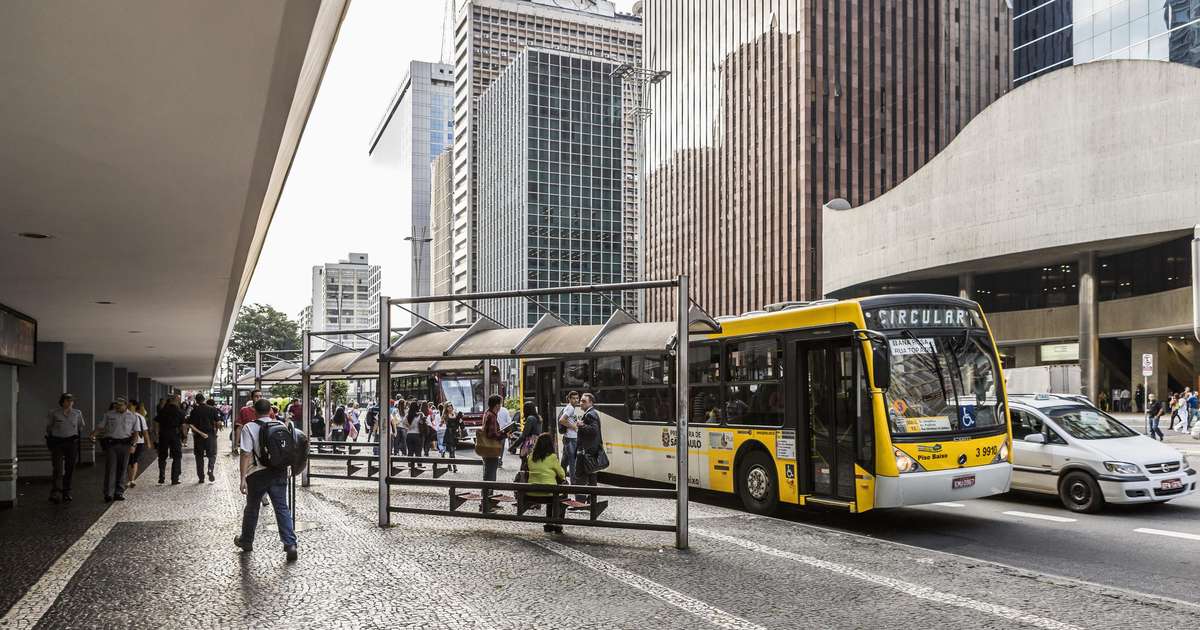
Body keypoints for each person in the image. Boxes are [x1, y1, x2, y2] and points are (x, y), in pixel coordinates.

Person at [235, 398, 298, 562]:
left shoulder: (249, 427)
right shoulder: (281, 425)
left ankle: (246, 541)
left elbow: (246, 454)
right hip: (279, 472)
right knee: (282, 507)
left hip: (257, 474)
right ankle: (290, 544)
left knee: (252, 508)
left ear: (254, 412)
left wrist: (242, 478)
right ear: (271, 410)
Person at [92, 397, 140, 501]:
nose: (117, 407)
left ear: (125, 405)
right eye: (116, 405)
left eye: (120, 405)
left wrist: (133, 445)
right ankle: (108, 493)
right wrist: (93, 434)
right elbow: (100, 427)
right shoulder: (109, 414)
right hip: (112, 445)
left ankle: (119, 492)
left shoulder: (132, 416)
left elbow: (136, 433)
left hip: (126, 445)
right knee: (111, 469)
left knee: (122, 469)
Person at [46, 393, 85, 503]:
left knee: (70, 468)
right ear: (62, 402)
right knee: (57, 468)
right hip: (58, 442)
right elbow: (49, 428)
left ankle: (66, 491)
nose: (69, 403)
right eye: (67, 401)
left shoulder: (77, 413)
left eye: (71, 401)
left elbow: (80, 427)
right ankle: (55, 492)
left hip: (71, 443)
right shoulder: (54, 413)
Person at [526, 432, 566, 533]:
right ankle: (557, 524)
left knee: (552, 493)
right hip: (549, 494)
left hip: (532, 493)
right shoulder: (552, 457)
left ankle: (549, 524)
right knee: (560, 495)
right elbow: (562, 474)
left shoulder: (530, 457)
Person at [572, 393, 603, 503]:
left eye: (584, 401)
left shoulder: (590, 414)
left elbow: (594, 431)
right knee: (591, 476)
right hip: (591, 451)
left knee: (579, 476)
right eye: (580, 400)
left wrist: (582, 425)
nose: (580, 403)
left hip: (585, 452)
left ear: (591, 402)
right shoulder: (592, 413)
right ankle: (592, 501)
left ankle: (579, 502)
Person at [478, 395, 505, 513]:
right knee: (490, 477)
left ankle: (488, 502)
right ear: (497, 405)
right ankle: (486, 505)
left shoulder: (487, 413)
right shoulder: (492, 416)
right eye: (500, 404)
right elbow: (491, 434)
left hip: (487, 450)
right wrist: (504, 434)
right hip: (491, 450)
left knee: (488, 475)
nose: (500, 406)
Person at [187, 393, 221, 483]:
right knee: (212, 454)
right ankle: (210, 470)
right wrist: (217, 430)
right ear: (204, 399)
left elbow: (190, 424)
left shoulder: (194, 411)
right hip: (210, 435)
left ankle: (201, 477)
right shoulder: (212, 409)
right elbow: (218, 422)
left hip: (198, 437)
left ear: (196, 400)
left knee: (199, 457)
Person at [154, 395, 186, 485]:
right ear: (177, 401)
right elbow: (183, 426)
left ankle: (161, 477)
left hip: (163, 434)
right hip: (175, 435)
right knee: (177, 456)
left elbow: (156, 422)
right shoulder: (181, 412)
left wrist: (156, 434)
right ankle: (175, 478)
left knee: (162, 456)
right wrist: (184, 436)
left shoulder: (163, 410)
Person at [126, 400, 153, 487]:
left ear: (135, 406)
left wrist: (148, 442)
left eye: (130, 405)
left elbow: (145, 431)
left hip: (138, 442)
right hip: (127, 441)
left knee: (134, 460)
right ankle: (131, 479)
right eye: (128, 405)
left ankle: (132, 479)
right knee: (130, 460)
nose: (128, 407)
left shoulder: (140, 417)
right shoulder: (125, 416)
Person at [558, 391, 581, 479]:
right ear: (569, 399)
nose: (576, 400)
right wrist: (573, 427)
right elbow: (561, 420)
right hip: (571, 439)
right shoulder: (570, 408)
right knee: (572, 463)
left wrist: (575, 424)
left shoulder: (569, 407)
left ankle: (561, 480)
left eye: (577, 398)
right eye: (574, 398)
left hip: (568, 438)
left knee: (564, 462)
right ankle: (573, 483)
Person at [441, 402, 460, 472]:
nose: (450, 408)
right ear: (446, 408)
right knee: (452, 450)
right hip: (449, 433)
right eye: (448, 407)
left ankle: (449, 465)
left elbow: (459, 422)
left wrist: (460, 420)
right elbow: (441, 422)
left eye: (451, 406)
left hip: (454, 433)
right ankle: (454, 466)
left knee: (452, 451)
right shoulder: (445, 415)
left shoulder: (455, 414)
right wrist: (442, 422)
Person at [404, 401, 424, 468]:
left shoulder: (407, 415)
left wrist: (408, 427)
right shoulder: (420, 415)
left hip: (409, 435)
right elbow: (423, 422)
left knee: (410, 451)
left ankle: (410, 465)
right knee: (418, 451)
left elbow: (403, 423)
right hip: (417, 434)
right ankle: (419, 464)